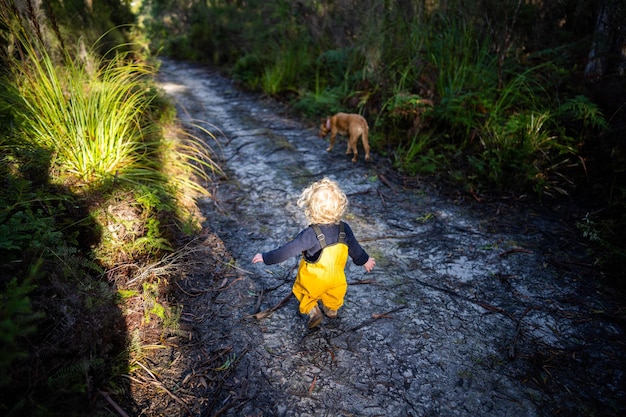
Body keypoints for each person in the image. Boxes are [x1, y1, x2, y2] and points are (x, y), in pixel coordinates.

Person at [252, 177, 376, 329]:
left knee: (302, 290)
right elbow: (355, 249)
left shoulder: (311, 234)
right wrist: (365, 260)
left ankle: (313, 310)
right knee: (335, 295)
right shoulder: (345, 229)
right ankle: (331, 310)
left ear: (310, 209)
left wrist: (266, 257)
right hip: (336, 279)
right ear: (340, 207)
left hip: (314, 279)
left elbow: (287, 250)